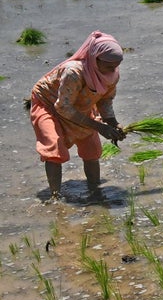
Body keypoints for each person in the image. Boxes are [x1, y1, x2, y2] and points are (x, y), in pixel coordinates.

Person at [29, 31, 127, 200]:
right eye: (109, 66)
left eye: (116, 66)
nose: (113, 70)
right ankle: (55, 197)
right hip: (49, 103)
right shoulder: (74, 72)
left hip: (79, 105)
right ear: (95, 58)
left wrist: (113, 123)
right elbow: (63, 107)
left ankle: (95, 190)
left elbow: (105, 100)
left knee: (92, 149)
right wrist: (98, 126)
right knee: (54, 146)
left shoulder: (111, 74)